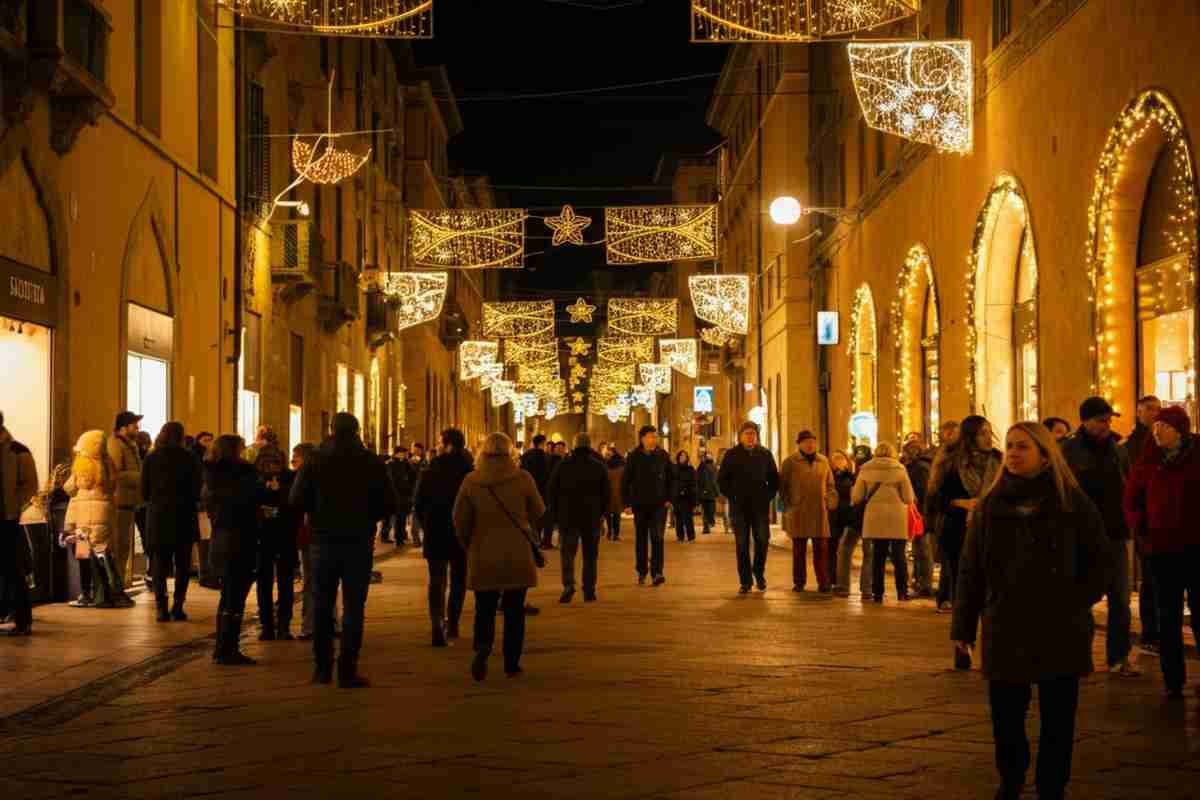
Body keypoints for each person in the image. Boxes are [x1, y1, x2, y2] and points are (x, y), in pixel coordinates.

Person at [952, 422, 1111, 800]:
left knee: (1058, 719)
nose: (1013, 453)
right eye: (1009, 446)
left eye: (1022, 446)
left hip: (1060, 626)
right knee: (1006, 719)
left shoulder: (1071, 501)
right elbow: (970, 568)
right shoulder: (992, 504)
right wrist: (963, 625)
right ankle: (1011, 779)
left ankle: (1052, 785)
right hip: (1006, 624)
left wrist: (1074, 600)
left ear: (1044, 453)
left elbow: (1100, 562)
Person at [290, 413, 397, 688]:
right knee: (353, 607)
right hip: (357, 541)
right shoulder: (371, 462)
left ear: (331, 430)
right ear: (358, 431)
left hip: (322, 540)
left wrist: (316, 513)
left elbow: (296, 499)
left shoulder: (315, 460)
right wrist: (368, 517)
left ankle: (322, 668)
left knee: (322, 604)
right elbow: (388, 503)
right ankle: (347, 669)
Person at [453, 432, 545, 681]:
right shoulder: (523, 478)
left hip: (483, 552)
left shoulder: (471, 481)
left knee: (485, 607)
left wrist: (467, 543)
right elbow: (539, 509)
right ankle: (511, 662)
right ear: (511, 452)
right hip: (517, 552)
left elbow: (459, 518)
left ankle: (483, 647)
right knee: (515, 610)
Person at [1123, 405, 1200, 699]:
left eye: (1163, 427)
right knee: (1167, 615)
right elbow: (1132, 498)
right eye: (1155, 428)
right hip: (1160, 549)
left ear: (1179, 429)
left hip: (1195, 548)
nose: (1157, 432)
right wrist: (1142, 530)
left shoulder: (1195, 457)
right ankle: (1173, 679)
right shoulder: (1147, 460)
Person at [1060, 396, 1138, 677]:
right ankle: (1080, 654)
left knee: (1120, 598)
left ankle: (1118, 658)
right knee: (1082, 598)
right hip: (1083, 535)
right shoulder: (1069, 451)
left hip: (1116, 533)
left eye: (1108, 420)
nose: (1106, 425)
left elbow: (1128, 485)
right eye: (1101, 420)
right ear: (1085, 421)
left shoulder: (1118, 450)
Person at [927, 415, 1001, 616]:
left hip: (993, 526)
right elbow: (936, 498)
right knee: (960, 573)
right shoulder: (952, 463)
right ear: (970, 437)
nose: (988, 438)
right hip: (958, 526)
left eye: (989, 433)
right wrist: (963, 503)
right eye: (982, 434)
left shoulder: (999, 460)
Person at [412, 428, 474, 647]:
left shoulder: (430, 470)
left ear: (448, 444)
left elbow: (418, 503)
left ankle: (437, 624)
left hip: (436, 529)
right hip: (461, 532)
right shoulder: (470, 472)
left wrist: (427, 522)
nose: (437, 445)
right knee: (459, 579)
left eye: (440, 442)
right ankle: (454, 623)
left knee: (436, 579)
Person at [203, 435, 261, 665]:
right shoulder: (243, 473)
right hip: (240, 538)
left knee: (227, 594)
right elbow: (252, 498)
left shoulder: (211, 474)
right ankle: (229, 648)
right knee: (236, 595)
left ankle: (221, 646)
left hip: (220, 538)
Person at [139, 422, 202, 623]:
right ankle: (178, 605)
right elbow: (197, 488)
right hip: (184, 514)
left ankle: (161, 608)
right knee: (183, 564)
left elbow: (144, 491)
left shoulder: (151, 458)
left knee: (159, 563)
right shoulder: (189, 458)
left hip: (159, 515)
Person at [546, 432, 609, 603]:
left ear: (574, 446)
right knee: (590, 556)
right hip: (591, 517)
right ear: (589, 446)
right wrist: (603, 516)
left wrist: (555, 515)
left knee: (567, 553)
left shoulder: (563, 465)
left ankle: (568, 584)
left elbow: (552, 491)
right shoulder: (598, 466)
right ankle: (589, 589)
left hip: (568, 517)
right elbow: (606, 494)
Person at [718, 421, 780, 593]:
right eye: (747, 433)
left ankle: (758, 572)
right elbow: (722, 480)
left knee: (762, 540)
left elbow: (774, 479)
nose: (750, 436)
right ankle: (745, 581)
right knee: (742, 544)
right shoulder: (732, 455)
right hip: (739, 508)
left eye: (753, 433)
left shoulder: (765, 454)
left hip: (759, 507)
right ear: (740, 436)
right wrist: (733, 495)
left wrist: (767, 496)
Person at [1121, 395, 1162, 654]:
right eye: (1149, 409)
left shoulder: (1164, 443)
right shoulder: (1131, 446)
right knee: (1149, 577)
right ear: (1138, 412)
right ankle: (1149, 633)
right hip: (1145, 521)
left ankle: (1158, 631)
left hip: (1164, 521)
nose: (1155, 413)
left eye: (1158, 408)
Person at [854, 441, 916, 603]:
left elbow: (857, 497)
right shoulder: (900, 469)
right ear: (893, 453)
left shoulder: (865, 469)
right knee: (899, 556)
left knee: (878, 556)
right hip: (896, 517)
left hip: (874, 517)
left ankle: (878, 593)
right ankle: (902, 592)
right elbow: (908, 498)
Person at [779, 431, 837, 593]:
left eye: (812, 441)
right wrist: (789, 505)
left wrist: (830, 500)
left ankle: (823, 582)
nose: (810, 444)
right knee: (799, 550)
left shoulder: (823, 461)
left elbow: (830, 484)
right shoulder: (790, 462)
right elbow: (782, 487)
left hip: (820, 511)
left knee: (821, 549)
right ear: (799, 444)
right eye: (806, 442)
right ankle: (799, 582)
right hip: (799, 511)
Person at [254, 443, 299, 640]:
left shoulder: (290, 478)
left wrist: (279, 492)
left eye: (275, 463)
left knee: (281, 582)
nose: (272, 467)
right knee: (271, 581)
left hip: (280, 534)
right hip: (268, 534)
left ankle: (280, 625)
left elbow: (296, 503)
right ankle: (270, 625)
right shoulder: (256, 479)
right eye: (268, 463)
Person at [0, 412, 39, 635]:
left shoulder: (18, 451)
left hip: (7, 519)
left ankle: (22, 619)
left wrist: (14, 508)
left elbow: (30, 486)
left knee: (13, 569)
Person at [621, 426, 674, 586]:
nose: (653, 440)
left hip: (659, 504)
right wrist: (627, 503)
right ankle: (642, 570)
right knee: (642, 538)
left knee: (658, 537)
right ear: (642, 439)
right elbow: (626, 481)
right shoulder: (634, 456)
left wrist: (669, 498)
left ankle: (657, 571)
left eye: (655, 437)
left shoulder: (662, 456)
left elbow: (672, 478)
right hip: (640, 504)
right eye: (650, 437)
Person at [107, 411, 143, 595]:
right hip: (119, 502)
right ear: (123, 427)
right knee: (118, 547)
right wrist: (141, 477)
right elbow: (115, 474)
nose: (137, 428)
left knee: (123, 548)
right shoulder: (116, 444)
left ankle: (118, 585)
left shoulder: (130, 445)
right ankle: (115, 587)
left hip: (129, 502)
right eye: (134, 425)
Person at [829, 450, 866, 598]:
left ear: (846, 461)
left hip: (850, 516)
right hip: (834, 516)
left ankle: (842, 582)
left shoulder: (853, 477)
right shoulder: (829, 476)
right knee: (833, 547)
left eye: (840, 458)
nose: (838, 461)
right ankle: (834, 579)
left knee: (844, 549)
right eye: (835, 459)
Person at [903, 440, 935, 598]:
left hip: (920, 513)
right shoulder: (919, 467)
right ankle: (920, 582)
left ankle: (925, 583)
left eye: (907, 451)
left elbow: (923, 492)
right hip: (919, 512)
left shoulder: (920, 468)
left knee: (922, 548)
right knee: (919, 547)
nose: (904, 455)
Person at [519, 434, 553, 549]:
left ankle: (534, 539)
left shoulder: (525, 456)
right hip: (543, 490)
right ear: (542, 443)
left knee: (531, 516)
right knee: (543, 515)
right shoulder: (546, 457)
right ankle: (540, 538)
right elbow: (549, 474)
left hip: (528, 490)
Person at [384, 446, 416, 544]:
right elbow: (391, 479)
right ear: (398, 453)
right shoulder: (391, 463)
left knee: (401, 516)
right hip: (395, 493)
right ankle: (388, 535)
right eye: (404, 453)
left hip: (403, 494)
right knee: (390, 516)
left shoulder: (404, 463)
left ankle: (400, 536)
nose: (406, 455)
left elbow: (412, 475)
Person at [672, 451, 698, 543]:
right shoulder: (674, 469)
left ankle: (691, 537)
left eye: (684, 456)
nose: (682, 457)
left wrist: (694, 499)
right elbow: (671, 482)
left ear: (687, 458)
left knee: (688, 518)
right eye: (681, 456)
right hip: (677, 497)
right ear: (678, 457)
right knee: (678, 519)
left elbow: (694, 484)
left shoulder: (690, 469)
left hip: (687, 498)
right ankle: (680, 536)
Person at [604, 445, 625, 542]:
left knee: (608, 514)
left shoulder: (605, 467)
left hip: (608, 493)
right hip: (618, 493)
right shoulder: (621, 468)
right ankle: (616, 534)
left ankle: (609, 532)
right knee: (616, 515)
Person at [409, 444, 428, 547]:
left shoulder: (424, 462)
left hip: (421, 493)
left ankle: (423, 540)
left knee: (421, 519)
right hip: (415, 493)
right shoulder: (410, 461)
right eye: (413, 450)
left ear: (421, 450)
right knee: (415, 519)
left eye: (417, 450)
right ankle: (416, 541)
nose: (415, 452)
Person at [697, 452, 719, 535]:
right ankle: (706, 526)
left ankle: (709, 522)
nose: (709, 456)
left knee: (710, 510)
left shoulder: (713, 467)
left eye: (710, 455)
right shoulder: (702, 466)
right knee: (706, 510)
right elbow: (699, 478)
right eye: (707, 455)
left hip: (711, 492)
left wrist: (717, 492)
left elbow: (716, 480)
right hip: (705, 492)